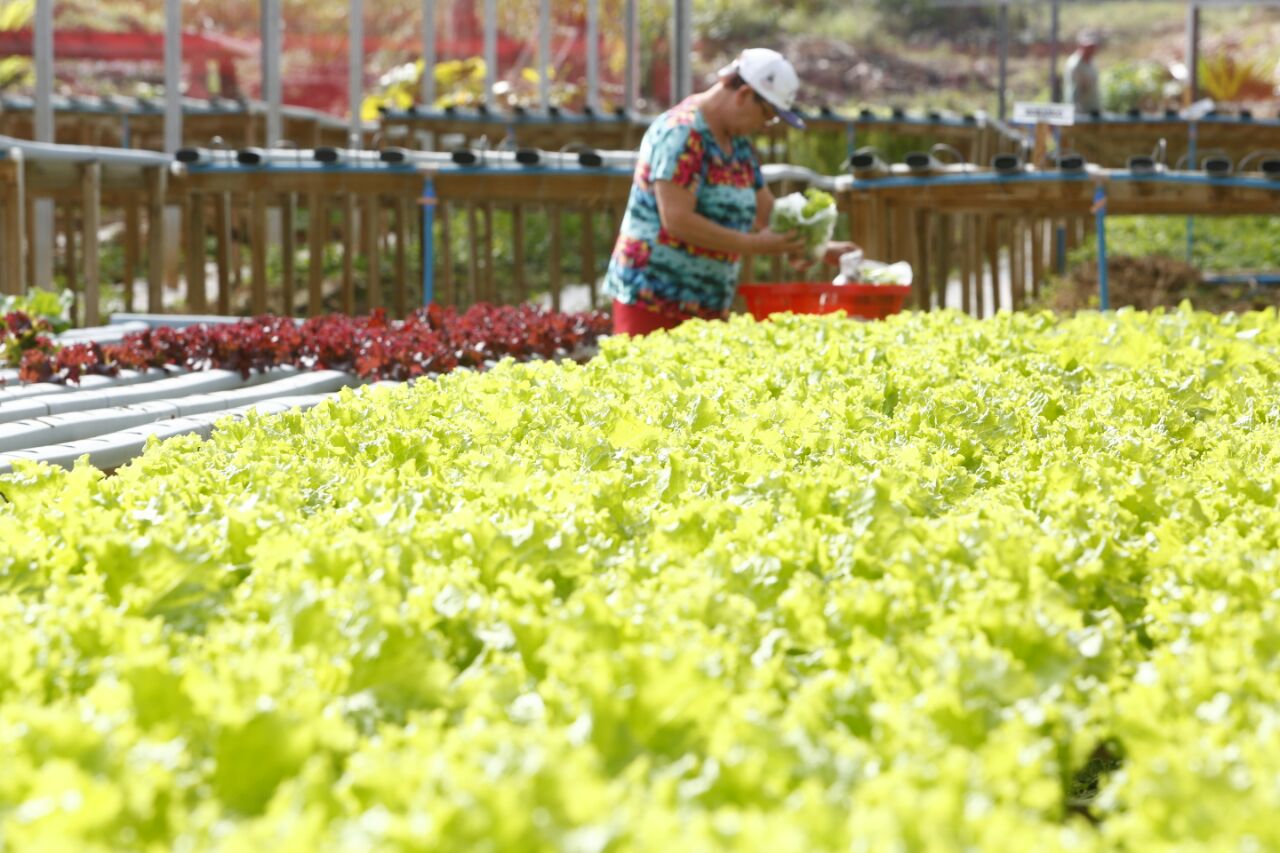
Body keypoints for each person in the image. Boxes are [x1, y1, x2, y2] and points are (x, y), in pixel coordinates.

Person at [603, 47, 856, 335]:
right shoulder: (683, 133)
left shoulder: (738, 145)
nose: (765, 126)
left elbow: (767, 214)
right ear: (744, 94)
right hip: (652, 299)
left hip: (708, 303)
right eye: (767, 115)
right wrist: (754, 245)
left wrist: (818, 247)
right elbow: (676, 219)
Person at [1064, 33, 1102, 115]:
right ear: (1080, 46)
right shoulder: (1075, 64)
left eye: (1093, 47)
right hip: (1081, 112)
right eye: (1088, 47)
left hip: (1092, 109)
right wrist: (1077, 113)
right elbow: (1075, 91)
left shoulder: (1091, 61)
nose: (1091, 50)